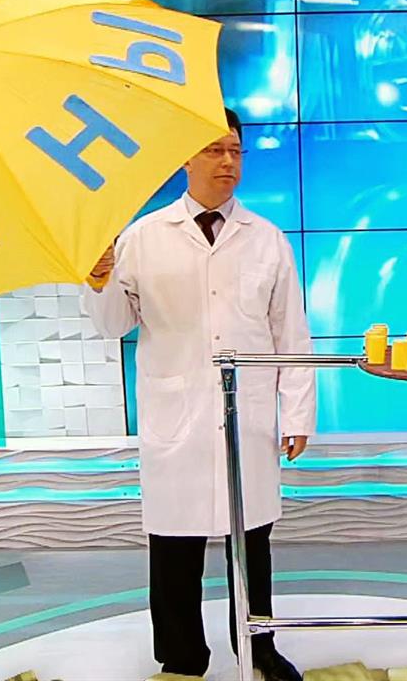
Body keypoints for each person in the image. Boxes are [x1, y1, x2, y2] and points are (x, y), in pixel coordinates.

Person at [82, 108, 314, 681]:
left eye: (235, 150)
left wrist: (297, 412)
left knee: (251, 542)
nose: (227, 162)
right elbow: (113, 324)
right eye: (214, 150)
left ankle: (258, 649)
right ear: (185, 158)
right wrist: (98, 279)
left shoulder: (267, 240)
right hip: (177, 414)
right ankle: (182, 657)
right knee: (173, 546)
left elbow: (291, 332)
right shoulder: (143, 238)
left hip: (246, 415)